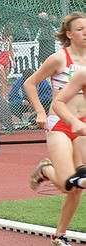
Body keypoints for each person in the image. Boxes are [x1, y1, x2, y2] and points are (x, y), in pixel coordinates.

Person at [24, 11, 86, 246]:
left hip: (83, 127)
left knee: (79, 185)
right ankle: (45, 170)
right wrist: (39, 111)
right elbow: (30, 83)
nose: (85, 32)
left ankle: (58, 235)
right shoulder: (60, 59)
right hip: (60, 124)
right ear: (69, 34)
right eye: (80, 29)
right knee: (66, 184)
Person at [52, 68, 86, 188]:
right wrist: (74, 121)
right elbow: (58, 102)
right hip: (77, 129)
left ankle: (79, 181)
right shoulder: (83, 74)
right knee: (65, 186)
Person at [0, 27, 16, 99]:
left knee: (4, 80)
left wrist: (13, 60)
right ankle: (4, 96)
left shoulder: (9, 39)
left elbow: (11, 49)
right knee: (3, 78)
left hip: (6, 59)